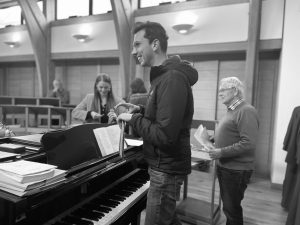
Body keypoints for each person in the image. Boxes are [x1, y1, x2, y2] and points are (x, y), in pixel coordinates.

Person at [116, 21, 198, 225]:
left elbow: (164, 135)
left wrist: (133, 119)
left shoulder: (171, 78)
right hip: (163, 167)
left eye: (137, 45)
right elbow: (164, 118)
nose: (134, 51)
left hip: (165, 170)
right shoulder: (162, 78)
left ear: (154, 44)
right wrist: (141, 111)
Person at [208, 77, 259, 225]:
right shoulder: (232, 110)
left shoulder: (246, 110)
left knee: (232, 209)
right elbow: (232, 133)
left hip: (236, 170)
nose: (219, 93)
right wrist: (213, 138)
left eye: (223, 89)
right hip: (227, 167)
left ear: (235, 91)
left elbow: (248, 143)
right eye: (219, 90)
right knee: (229, 207)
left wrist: (221, 152)